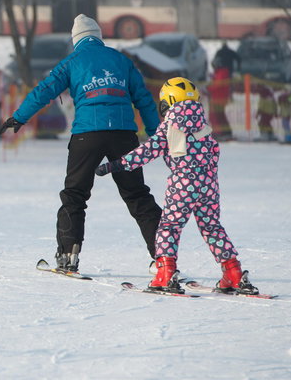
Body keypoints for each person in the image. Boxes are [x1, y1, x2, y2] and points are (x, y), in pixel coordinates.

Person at [0, 14, 162, 273]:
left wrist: (19, 117)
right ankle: (164, 257)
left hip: (87, 135)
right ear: (98, 37)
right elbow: (143, 98)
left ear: (76, 40)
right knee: (137, 195)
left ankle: (68, 255)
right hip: (124, 135)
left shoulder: (72, 61)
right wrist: (157, 135)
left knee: (74, 194)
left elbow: (44, 90)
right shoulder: (122, 60)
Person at [96, 77, 260, 295]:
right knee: (212, 227)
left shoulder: (171, 126)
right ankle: (233, 272)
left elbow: (147, 151)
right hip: (209, 185)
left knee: (168, 228)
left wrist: (115, 165)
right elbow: (214, 152)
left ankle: (165, 273)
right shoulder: (203, 124)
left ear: (169, 101)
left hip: (182, 184)